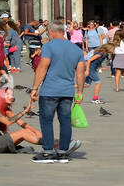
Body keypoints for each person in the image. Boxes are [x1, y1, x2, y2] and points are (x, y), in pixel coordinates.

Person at [29, 21, 85, 163]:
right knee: (65, 121)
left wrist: (35, 88)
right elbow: (80, 74)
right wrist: (79, 92)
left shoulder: (48, 46)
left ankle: (48, 152)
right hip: (67, 91)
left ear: (52, 32)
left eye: (48, 32)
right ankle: (63, 153)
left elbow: (42, 67)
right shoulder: (77, 50)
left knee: (46, 120)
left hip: (50, 90)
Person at [0, 86, 42, 153]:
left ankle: (49, 143)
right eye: (7, 94)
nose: (11, 97)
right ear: (0, 96)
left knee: (27, 130)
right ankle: (49, 145)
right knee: (23, 132)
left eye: (12, 95)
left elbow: (22, 123)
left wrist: (36, 132)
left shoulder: (7, 110)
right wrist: (24, 111)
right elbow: (8, 122)